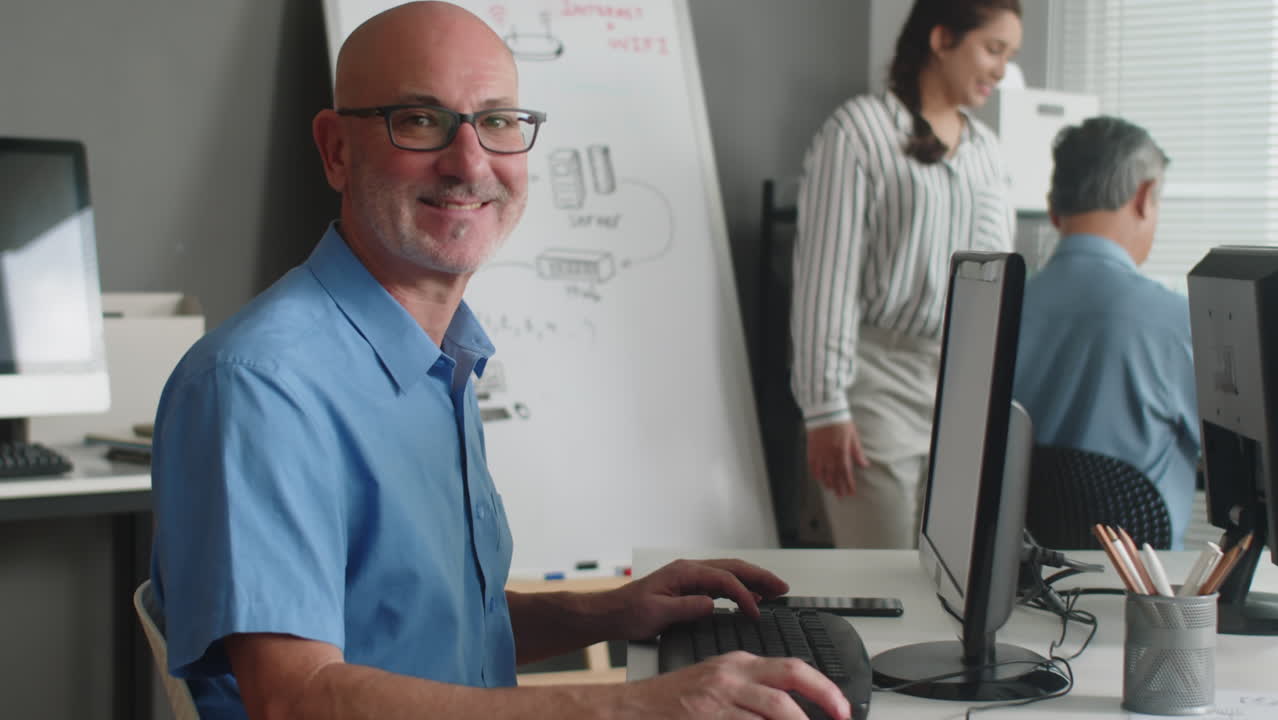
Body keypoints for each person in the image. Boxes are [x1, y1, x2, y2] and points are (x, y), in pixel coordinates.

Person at [148, 3, 852, 719]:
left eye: (497, 122)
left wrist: (609, 613)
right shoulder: (260, 388)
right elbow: (295, 697)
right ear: (336, 150)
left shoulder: (442, 356)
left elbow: (421, 632)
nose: (469, 163)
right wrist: (631, 707)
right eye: (420, 121)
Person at [790, 0, 1022, 548]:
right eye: (992, 49)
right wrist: (824, 408)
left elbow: (994, 288)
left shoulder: (987, 153)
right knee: (884, 583)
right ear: (942, 40)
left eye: (1008, 56)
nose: (1000, 70)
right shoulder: (858, 132)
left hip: (958, 389)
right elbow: (826, 279)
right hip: (874, 384)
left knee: (946, 582)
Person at [1013, 116, 1198, 549]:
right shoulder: (1178, 322)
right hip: (1139, 588)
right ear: (1144, 196)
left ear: (1055, 207)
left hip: (1024, 582)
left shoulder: (1002, 308)